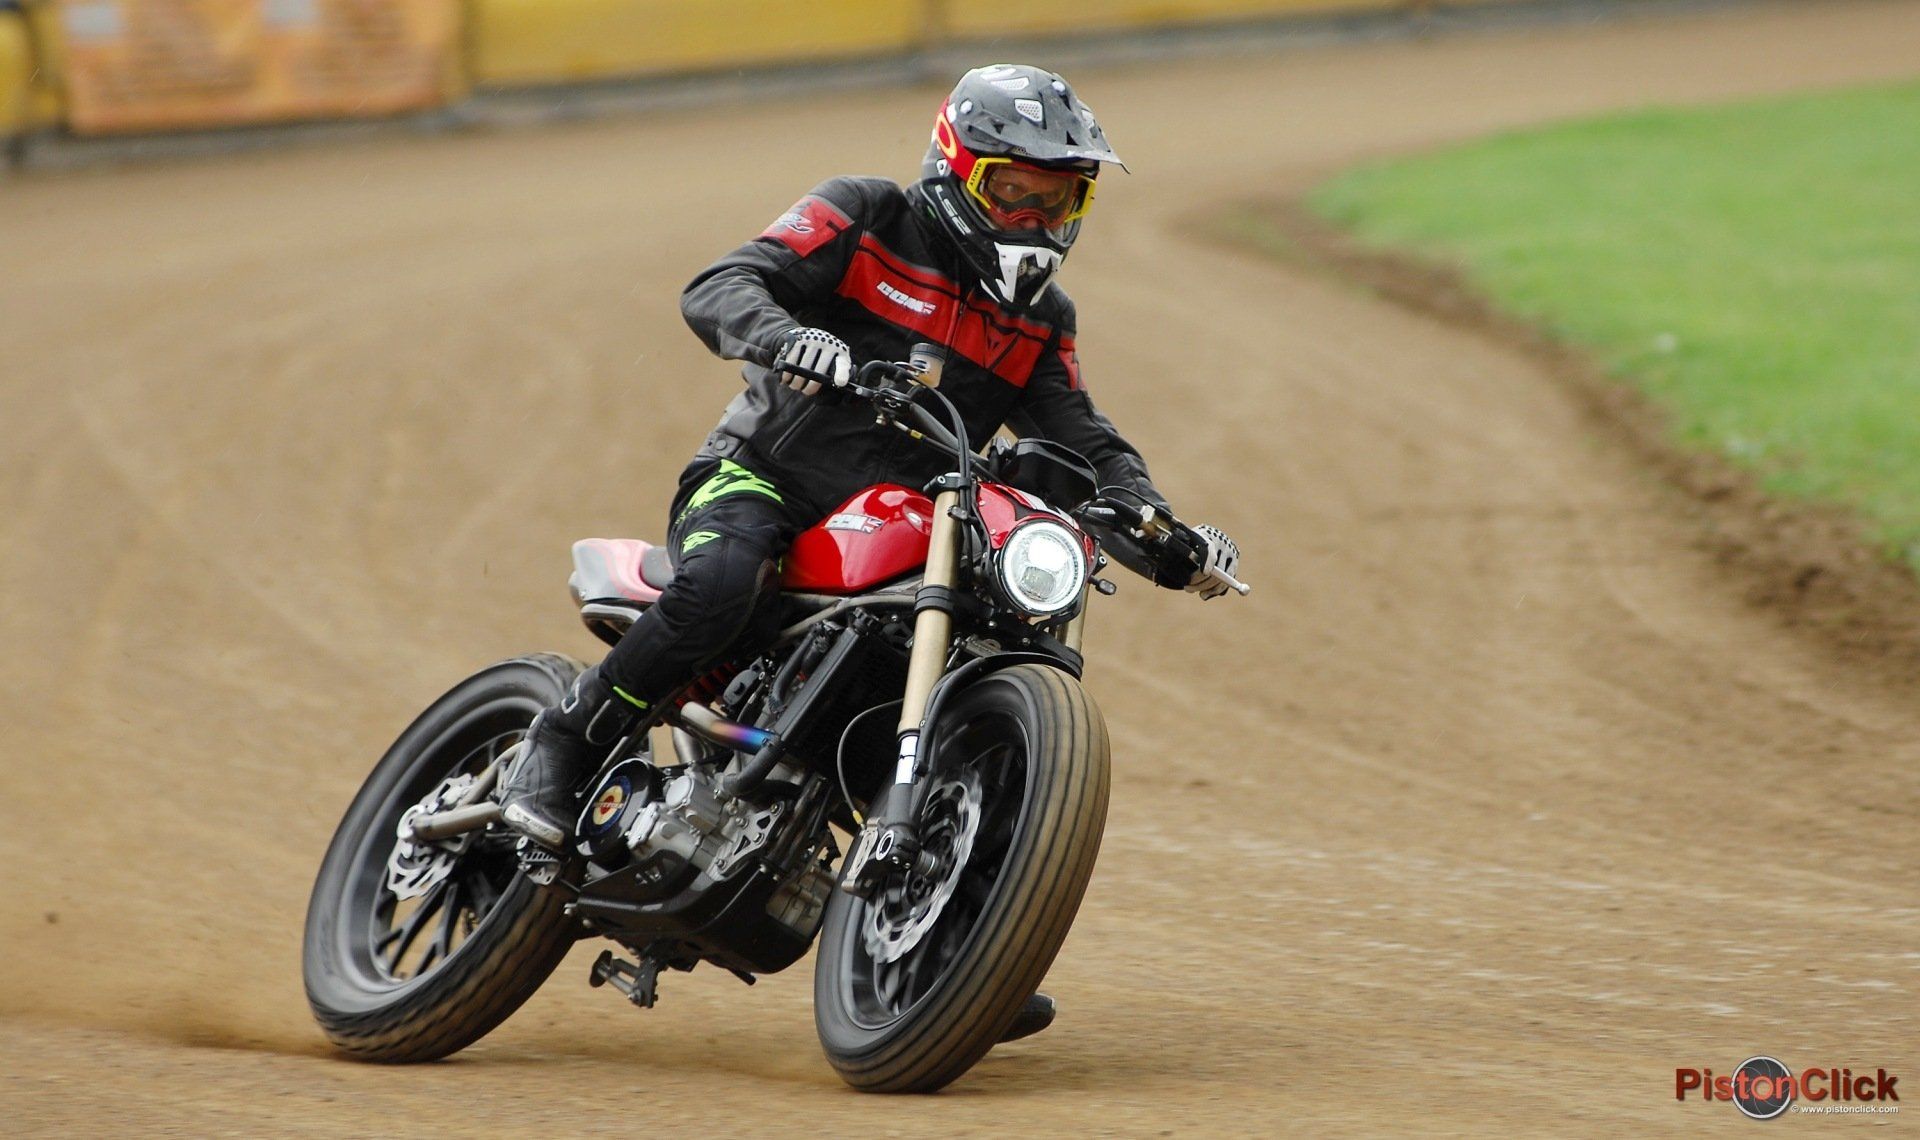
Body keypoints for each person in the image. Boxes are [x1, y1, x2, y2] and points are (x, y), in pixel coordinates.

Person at [501, 62, 1240, 856]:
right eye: (1012, 191)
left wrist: (1159, 526)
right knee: (721, 584)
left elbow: (1087, 438)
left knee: (995, 642)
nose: (1031, 218)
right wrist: (793, 339)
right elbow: (723, 282)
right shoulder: (867, 213)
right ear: (957, 169)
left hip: (912, 533)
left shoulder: (1042, 319)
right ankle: (564, 739)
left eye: (1054, 198)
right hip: (760, 478)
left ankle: (964, 939)